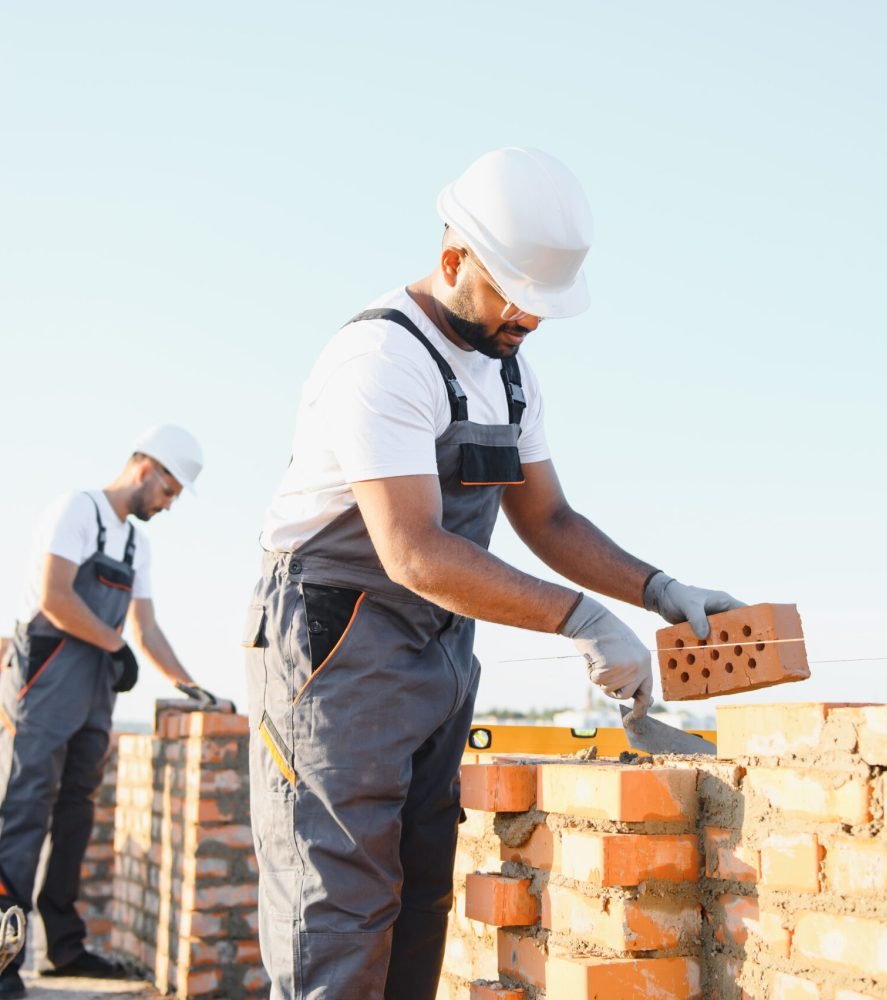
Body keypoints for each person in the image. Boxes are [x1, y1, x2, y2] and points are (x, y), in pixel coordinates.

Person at [246, 147, 743, 1000]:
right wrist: (580, 621)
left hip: (435, 649)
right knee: (341, 910)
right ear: (452, 261)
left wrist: (659, 592)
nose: (532, 321)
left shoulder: (511, 376)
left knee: (419, 897)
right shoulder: (382, 360)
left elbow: (547, 519)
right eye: (518, 297)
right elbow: (412, 550)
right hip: (335, 647)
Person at [0, 425, 219, 999]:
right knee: (23, 813)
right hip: (45, 677)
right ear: (146, 468)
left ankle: (63, 948)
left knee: (76, 815)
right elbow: (55, 596)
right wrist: (113, 644)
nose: (169, 505)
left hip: (93, 690)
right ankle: (2, 956)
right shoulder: (76, 509)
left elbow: (146, 629)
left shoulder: (134, 545)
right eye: (170, 492)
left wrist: (192, 687)